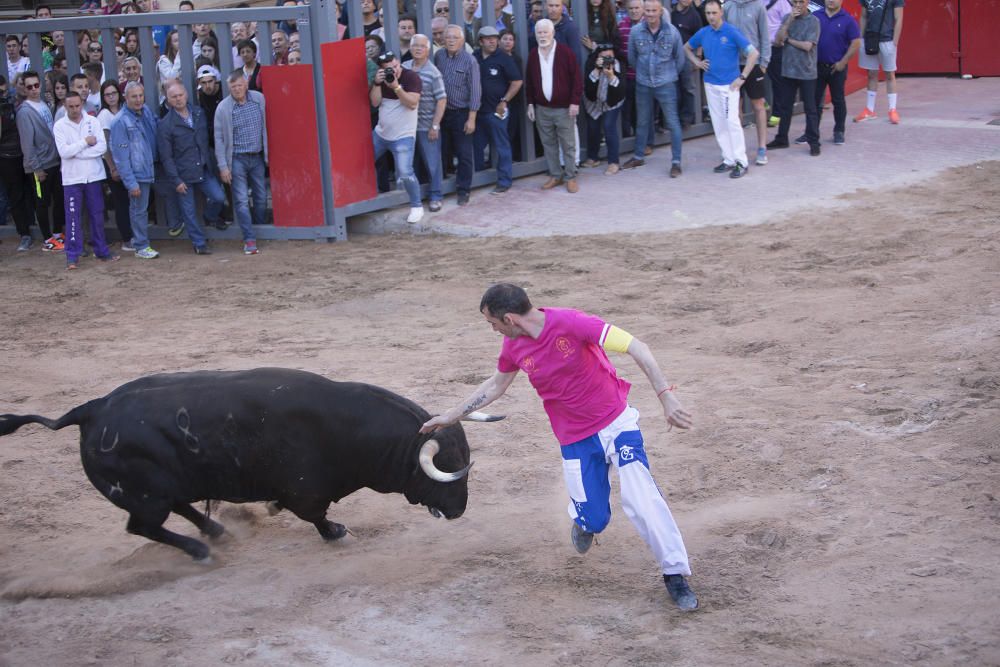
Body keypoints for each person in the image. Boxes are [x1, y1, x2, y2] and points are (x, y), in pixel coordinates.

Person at [419, 283, 698, 612]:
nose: (493, 330)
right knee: (595, 518)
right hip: (575, 440)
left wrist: (665, 396)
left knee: (641, 496)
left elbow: (637, 346)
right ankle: (585, 521)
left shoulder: (572, 323)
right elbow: (496, 384)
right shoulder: (513, 347)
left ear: (509, 319)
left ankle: (675, 574)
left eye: (492, 323)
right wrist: (452, 415)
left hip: (616, 424)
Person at [685, 0, 759, 179]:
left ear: (721, 12)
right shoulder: (704, 32)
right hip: (710, 83)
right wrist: (697, 62)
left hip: (729, 85)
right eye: (708, 13)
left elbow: (753, 53)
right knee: (718, 124)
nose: (711, 17)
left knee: (732, 122)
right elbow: (686, 47)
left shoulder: (731, 31)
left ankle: (741, 161)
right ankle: (728, 159)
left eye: (714, 13)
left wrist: (742, 78)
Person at [156, 81, 226, 254]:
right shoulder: (165, 125)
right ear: (168, 99)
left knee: (218, 197)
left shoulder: (198, 113)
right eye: (174, 97)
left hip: (203, 168)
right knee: (188, 211)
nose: (178, 99)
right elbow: (166, 157)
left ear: (186, 94)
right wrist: (176, 180)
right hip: (183, 174)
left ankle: (210, 216)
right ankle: (199, 243)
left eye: (180, 95)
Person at [53, 91, 119, 269]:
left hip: (93, 176)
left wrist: (78, 153)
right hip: (72, 178)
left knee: (97, 214)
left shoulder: (93, 121)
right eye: (71, 106)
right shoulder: (60, 126)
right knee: (73, 218)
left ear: (82, 104)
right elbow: (64, 153)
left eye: (77, 105)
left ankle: (101, 250)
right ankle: (72, 255)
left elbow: (102, 147)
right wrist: (84, 143)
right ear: (65, 106)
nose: (75, 109)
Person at [622, 0, 685, 178]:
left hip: (666, 84)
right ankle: (638, 156)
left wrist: (668, 75)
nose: (650, 14)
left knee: (673, 122)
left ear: (660, 11)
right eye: (647, 10)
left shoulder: (672, 33)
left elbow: (679, 61)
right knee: (642, 121)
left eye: (653, 10)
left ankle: (676, 162)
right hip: (643, 83)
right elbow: (632, 59)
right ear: (643, 11)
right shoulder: (636, 32)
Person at [526, 19, 582, 193]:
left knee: (568, 144)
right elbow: (529, 82)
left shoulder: (566, 53)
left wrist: (574, 102)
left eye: (545, 32)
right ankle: (556, 175)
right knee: (548, 144)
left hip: (564, 108)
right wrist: (530, 104)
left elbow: (577, 80)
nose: (542, 36)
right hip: (542, 109)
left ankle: (571, 177)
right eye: (539, 33)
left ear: (553, 33)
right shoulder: (534, 54)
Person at [214, 70, 265, 255]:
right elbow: (218, 138)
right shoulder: (223, 108)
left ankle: (261, 230)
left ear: (246, 83)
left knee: (260, 197)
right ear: (229, 88)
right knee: (242, 200)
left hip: (257, 156)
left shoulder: (259, 100)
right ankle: (249, 239)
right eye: (233, 87)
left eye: (240, 85)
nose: (237, 89)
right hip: (237, 158)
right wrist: (223, 166)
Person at [369, 51, 423, 223]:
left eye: (396, 66)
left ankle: (416, 206)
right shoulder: (380, 81)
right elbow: (375, 103)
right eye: (388, 69)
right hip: (381, 134)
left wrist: (397, 87)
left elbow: (412, 103)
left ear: (399, 63)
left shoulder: (411, 77)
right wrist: (377, 83)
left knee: (405, 172)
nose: (394, 71)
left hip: (403, 136)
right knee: (362, 162)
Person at [109, 81, 160, 259]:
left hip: (151, 167)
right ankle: (140, 245)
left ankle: (141, 244)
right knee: (138, 210)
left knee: (141, 209)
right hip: (138, 173)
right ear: (126, 98)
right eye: (134, 96)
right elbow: (120, 157)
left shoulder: (146, 111)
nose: (138, 100)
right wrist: (130, 182)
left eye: (140, 95)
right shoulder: (120, 122)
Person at [16, 71, 65, 251]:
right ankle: (47, 239)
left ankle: (58, 234)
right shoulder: (24, 112)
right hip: (40, 166)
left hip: (53, 161)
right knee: (42, 203)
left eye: (36, 85)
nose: (34, 89)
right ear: (24, 88)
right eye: (30, 87)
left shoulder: (42, 104)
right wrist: (36, 167)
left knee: (57, 199)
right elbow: (27, 144)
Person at [433, 25, 481, 207]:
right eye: (448, 37)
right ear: (443, 40)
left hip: (462, 113)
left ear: (462, 41)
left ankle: (464, 190)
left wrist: (472, 118)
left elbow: (476, 91)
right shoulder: (439, 56)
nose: (451, 40)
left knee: (464, 153)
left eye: (455, 37)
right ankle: (441, 186)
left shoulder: (470, 61)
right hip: (442, 113)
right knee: (442, 150)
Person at [766, 0, 821, 156]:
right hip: (788, 71)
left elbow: (807, 46)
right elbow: (777, 41)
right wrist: (789, 20)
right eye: (795, 2)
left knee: (810, 108)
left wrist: (788, 40)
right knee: (785, 107)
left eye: (801, 2)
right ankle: (782, 138)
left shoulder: (814, 21)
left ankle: (814, 142)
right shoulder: (787, 18)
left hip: (807, 72)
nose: (798, 5)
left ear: (807, 2)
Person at [473, 26, 522, 195]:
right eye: (488, 38)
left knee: (502, 147)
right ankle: (477, 179)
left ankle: (504, 181)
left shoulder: (504, 58)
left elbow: (517, 81)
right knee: (476, 147)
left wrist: (505, 100)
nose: (493, 41)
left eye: (495, 38)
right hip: (477, 112)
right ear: (480, 41)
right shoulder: (475, 57)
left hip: (496, 111)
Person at [403, 34, 447, 213]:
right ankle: (413, 197)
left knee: (433, 163)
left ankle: (436, 196)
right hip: (406, 126)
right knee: (408, 164)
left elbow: (442, 100)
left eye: (422, 46)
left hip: (426, 125)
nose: (418, 49)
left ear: (428, 50)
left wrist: (435, 125)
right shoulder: (404, 67)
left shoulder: (433, 72)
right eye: (415, 46)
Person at [723, 0, 771, 166]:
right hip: (733, 65)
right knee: (736, 109)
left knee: (759, 106)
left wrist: (764, 64)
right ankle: (738, 150)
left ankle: (762, 147)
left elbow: (765, 36)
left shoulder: (758, 6)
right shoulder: (728, 6)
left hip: (754, 65)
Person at [813, 0, 860, 145]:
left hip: (837, 68)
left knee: (838, 100)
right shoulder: (815, 16)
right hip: (816, 67)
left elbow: (856, 42)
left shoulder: (848, 20)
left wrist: (843, 62)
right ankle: (811, 132)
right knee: (813, 101)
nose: (831, 0)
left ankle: (839, 131)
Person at [96, 80, 134, 250]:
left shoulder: (125, 109)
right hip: (114, 164)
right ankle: (127, 238)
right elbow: (105, 145)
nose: (111, 97)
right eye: (107, 95)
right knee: (121, 202)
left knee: (131, 200)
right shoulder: (104, 115)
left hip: (128, 161)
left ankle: (133, 234)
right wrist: (112, 167)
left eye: (113, 93)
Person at [854, 0, 904, 124]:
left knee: (889, 74)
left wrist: (895, 43)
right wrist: (861, 38)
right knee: (871, 74)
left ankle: (892, 110)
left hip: (887, 40)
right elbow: (864, 16)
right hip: (869, 39)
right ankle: (870, 110)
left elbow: (899, 19)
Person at [0, 78, 36, 252]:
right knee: (16, 196)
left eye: (4, 92)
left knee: (34, 192)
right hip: (8, 159)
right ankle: (24, 233)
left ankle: (35, 224)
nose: (3, 96)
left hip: (29, 156)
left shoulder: (26, 106)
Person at [580, 44, 625, 175]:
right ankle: (593, 158)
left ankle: (613, 162)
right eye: (603, 57)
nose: (606, 60)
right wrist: (596, 71)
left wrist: (611, 76)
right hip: (593, 101)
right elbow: (587, 87)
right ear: (597, 57)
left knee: (608, 126)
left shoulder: (619, 65)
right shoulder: (591, 64)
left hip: (612, 102)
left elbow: (620, 90)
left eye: (609, 57)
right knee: (593, 127)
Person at [670, 0, 704, 126]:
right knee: (674, 88)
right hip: (672, 56)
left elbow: (700, 37)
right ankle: (675, 118)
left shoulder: (694, 15)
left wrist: (698, 57)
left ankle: (687, 119)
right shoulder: (671, 13)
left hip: (688, 56)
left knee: (688, 88)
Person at [764, 0, 792, 128]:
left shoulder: (782, 2)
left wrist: (781, 40)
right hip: (761, 47)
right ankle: (763, 103)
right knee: (757, 77)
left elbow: (788, 22)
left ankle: (777, 113)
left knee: (777, 81)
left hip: (776, 47)